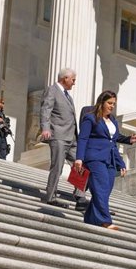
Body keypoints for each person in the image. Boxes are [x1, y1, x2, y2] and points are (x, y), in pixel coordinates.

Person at [74, 90, 136, 230]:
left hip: (109, 159)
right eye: (109, 103)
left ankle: (90, 217)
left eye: (114, 104)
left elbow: (113, 141)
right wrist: (79, 158)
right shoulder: (90, 118)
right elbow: (83, 138)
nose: (112, 106)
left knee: (106, 189)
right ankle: (105, 220)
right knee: (101, 187)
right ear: (102, 102)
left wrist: (127, 147)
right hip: (94, 158)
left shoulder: (113, 121)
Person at [40, 68, 87, 210]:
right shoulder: (52, 90)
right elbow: (45, 110)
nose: (74, 83)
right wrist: (45, 128)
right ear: (65, 78)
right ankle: (50, 197)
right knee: (57, 167)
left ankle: (80, 196)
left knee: (81, 167)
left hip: (72, 138)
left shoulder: (68, 96)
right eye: (73, 80)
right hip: (58, 136)